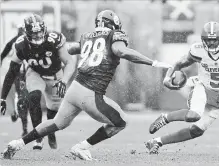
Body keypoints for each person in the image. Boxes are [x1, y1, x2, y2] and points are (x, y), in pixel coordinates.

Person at [2, 10, 171, 160]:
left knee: (57, 123)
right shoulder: (115, 35)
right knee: (121, 122)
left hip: (74, 89)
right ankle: (82, 147)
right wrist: (153, 62)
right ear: (114, 25)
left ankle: (17, 143)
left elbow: (72, 48)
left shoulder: (87, 36)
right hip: (91, 93)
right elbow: (121, 51)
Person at [145, 21, 219, 154]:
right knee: (194, 115)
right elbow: (179, 63)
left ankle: (157, 141)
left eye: (214, 40)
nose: (211, 44)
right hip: (202, 87)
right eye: (207, 40)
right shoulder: (198, 50)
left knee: (196, 131)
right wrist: (167, 77)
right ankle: (165, 118)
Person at [0, 14, 76, 150]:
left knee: (53, 110)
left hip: (55, 75)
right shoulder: (21, 45)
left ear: (45, 29)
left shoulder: (54, 40)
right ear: (27, 33)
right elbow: (11, 72)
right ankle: (38, 138)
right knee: (34, 97)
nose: (38, 36)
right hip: (36, 74)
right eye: (34, 33)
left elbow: (69, 62)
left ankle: (50, 132)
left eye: (40, 32)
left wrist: (64, 81)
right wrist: (2, 98)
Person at [0, 25, 29, 133]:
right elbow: (3, 54)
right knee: (22, 97)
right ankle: (24, 125)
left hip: (22, 73)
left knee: (22, 97)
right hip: (20, 73)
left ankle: (16, 113)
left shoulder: (13, 41)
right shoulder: (21, 41)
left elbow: (3, 54)